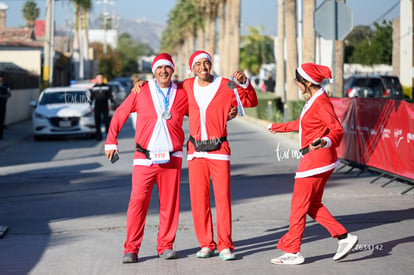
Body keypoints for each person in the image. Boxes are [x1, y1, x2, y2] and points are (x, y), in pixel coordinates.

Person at [267, 63, 358, 265]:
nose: (298, 86)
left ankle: (292, 252)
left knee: (298, 206)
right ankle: (344, 237)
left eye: (299, 82)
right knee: (312, 205)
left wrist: (325, 141)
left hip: (316, 160)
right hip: (316, 160)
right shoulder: (313, 99)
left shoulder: (321, 103)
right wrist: (275, 127)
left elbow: (337, 130)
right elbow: (299, 124)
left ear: (308, 82)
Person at [104, 53, 188, 264]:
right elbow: (120, 114)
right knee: (137, 203)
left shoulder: (182, 94)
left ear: (172, 70)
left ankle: (166, 246)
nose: (163, 71)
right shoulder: (141, 91)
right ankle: (131, 248)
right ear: (154, 71)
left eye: (167, 67)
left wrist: (229, 112)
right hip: (144, 158)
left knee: (169, 205)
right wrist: (111, 140)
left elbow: (201, 113)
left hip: (172, 158)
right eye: (159, 67)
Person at [183, 50, 258, 261]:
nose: (203, 67)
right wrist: (143, 85)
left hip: (219, 150)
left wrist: (244, 83)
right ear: (192, 68)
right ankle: (206, 244)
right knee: (199, 201)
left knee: (222, 200)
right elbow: (166, 94)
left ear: (211, 64)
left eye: (206, 63)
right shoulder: (186, 86)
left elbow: (250, 102)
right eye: (198, 64)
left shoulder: (226, 84)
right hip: (195, 151)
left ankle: (225, 245)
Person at [91, 73, 114, 141]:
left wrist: (112, 103)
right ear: (96, 79)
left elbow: (110, 96)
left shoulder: (107, 86)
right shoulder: (94, 87)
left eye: (101, 78)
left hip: (105, 106)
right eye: (99, 78)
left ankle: (108, 134)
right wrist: (90, 104)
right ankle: (99, 135)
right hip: (97, 106)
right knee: (97, 122)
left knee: (106, 121)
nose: (100, 79)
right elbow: (91, 97)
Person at [0, 72, 11, 140]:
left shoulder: (5, 85)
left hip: (2, 106)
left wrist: (1, 96)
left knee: (1, 121)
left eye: (1, 77)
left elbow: (9, 94)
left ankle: (0, 134)